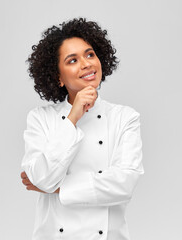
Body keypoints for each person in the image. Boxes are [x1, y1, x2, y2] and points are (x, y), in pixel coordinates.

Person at [20, 17, 144, 240]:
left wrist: (58, 189)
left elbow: (124, 183)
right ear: (58, 77)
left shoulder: (124, 118)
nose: (86, 63)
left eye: (89, 54)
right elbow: (42, 177)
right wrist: (73, 117)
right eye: (72, 60)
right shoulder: (40, 119)